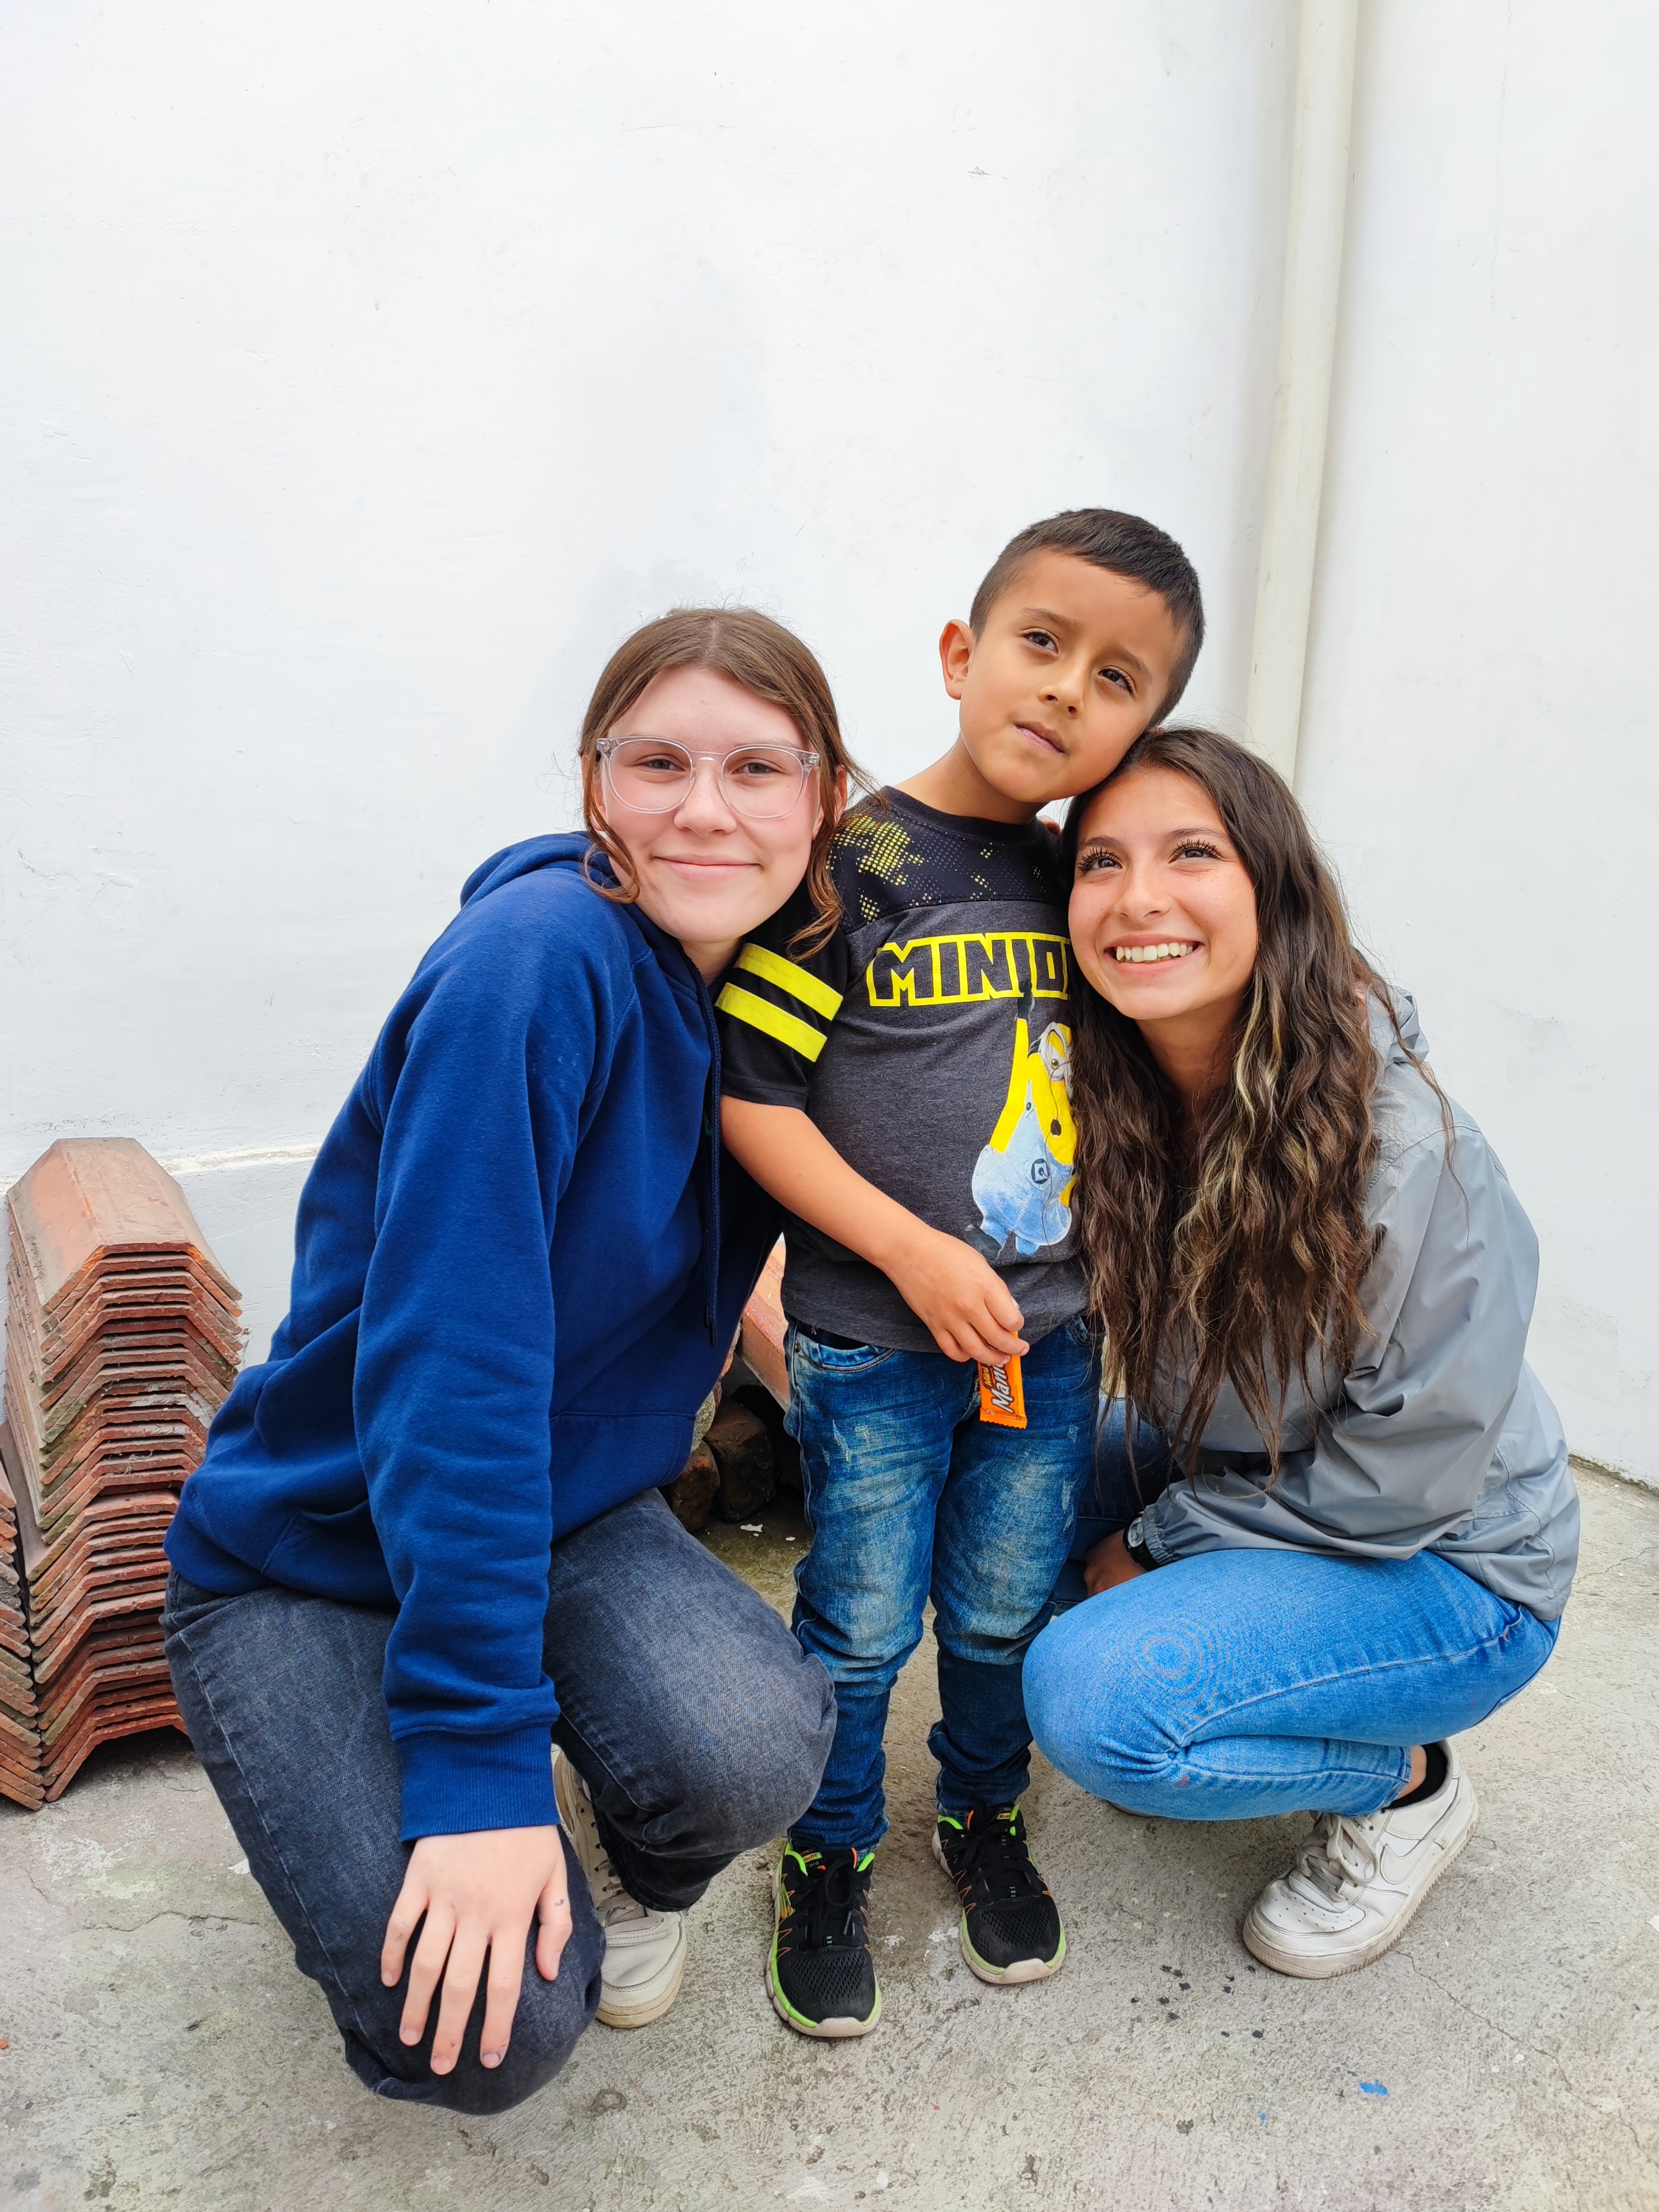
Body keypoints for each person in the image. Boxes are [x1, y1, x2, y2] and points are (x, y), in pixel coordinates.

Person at [163, 609, 852, 2112]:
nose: (705, 807)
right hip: (312, 1546)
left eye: (757, 767)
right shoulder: (534, 966)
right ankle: (431, 1814)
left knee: (753, 1742)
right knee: (490, 2032)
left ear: (824, 798)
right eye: (657, 761)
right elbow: (455, 1378)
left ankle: (583, 1842)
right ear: (596, 786)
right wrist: (478, 1767)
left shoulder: (765, 981)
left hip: (551, 1506)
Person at [717, 510, 1206, 2036]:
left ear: (1145, 726)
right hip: (873, 1339)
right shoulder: (846, 867)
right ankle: (831, 1844)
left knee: (1001, 1607)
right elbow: (755, 1099)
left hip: (1047, 1345)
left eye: (1119, 679)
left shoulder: (1087, 884)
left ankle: (983, 1813)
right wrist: (907, 1250)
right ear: (959, 653)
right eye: (1042, 643)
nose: (1068, 691)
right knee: (861, 1619)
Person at [1024, 726, 1577, 1978]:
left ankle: (1409, 1785)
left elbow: (1409, 1475)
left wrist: (1158, 1542)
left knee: (1094, 1703)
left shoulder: (1403, 1142)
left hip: (1452, 1563)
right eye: (1100, 861)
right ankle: (1225, 1685)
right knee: (1001, 1481)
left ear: (1273, 891)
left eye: (1191, 853)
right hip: (1253, 1465)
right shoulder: (1119, 1095)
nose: (1139, 897)